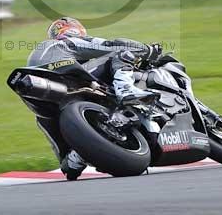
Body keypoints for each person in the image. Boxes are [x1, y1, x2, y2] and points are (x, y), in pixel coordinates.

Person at [26, 17, 162, 180]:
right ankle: (125, 89)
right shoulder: (67, 42)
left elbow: (67, 169)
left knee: (65, 156)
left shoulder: (44, 53)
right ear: (74, 30)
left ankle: (77, 156)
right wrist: (147, 50)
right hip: (62, 75)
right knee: (120, 53)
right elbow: (112, 45)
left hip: (42, 92)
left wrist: (77, 155)